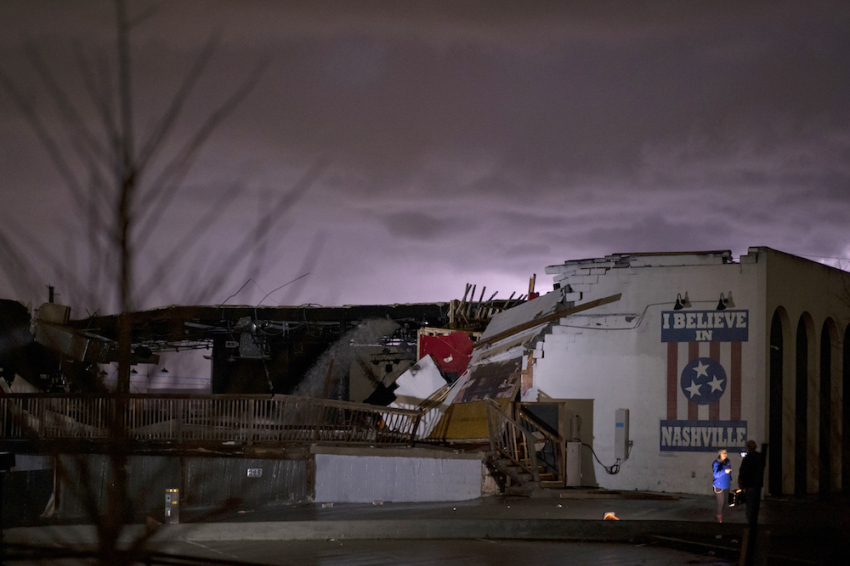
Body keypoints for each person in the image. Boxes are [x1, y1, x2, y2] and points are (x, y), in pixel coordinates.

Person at [738, 440, 765, 526]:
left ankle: (751, 524)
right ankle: (754, 522)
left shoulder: (747, 458)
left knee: (749, 505)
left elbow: (742, 472)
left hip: (749, 485)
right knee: (755, 505)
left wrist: (741, 483)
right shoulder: (760, 457)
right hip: (758, 485)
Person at [712, 448, 732, 523]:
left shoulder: (728, 461)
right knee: (721, 503)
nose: (725, 454)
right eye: (723, 453)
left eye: (726, 453)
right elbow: (715, 474)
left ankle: (722, 515)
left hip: (727, 485)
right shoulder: (716, 463)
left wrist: (730, 478)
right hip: (719, 486)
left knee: (725, 503)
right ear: (719, 454)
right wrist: (724, 471)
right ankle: (719, 517)